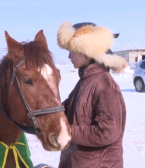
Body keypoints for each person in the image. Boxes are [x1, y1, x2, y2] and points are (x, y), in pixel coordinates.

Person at [57, 22, 127, 168]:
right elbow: (65, 109)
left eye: (71, 50)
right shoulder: (85, 82)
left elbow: (106, 132)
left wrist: (67, 131)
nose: (69, 55)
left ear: (85, 51)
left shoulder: (105, 85)